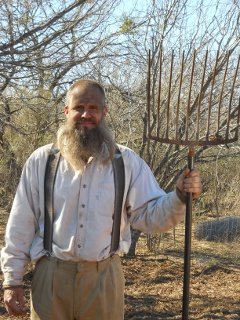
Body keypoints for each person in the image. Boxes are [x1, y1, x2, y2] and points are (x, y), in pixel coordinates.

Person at [1, 79, 202, 320]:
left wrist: (180, 195)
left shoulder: (126, 162)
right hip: (50, 279)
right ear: (67, 111)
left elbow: (151, 216)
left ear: (104, 112)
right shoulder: (42, 161)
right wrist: (12, 280)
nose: (86, 114)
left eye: (93, 108)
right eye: (79, 107)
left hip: (103, 280)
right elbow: (21, 222)